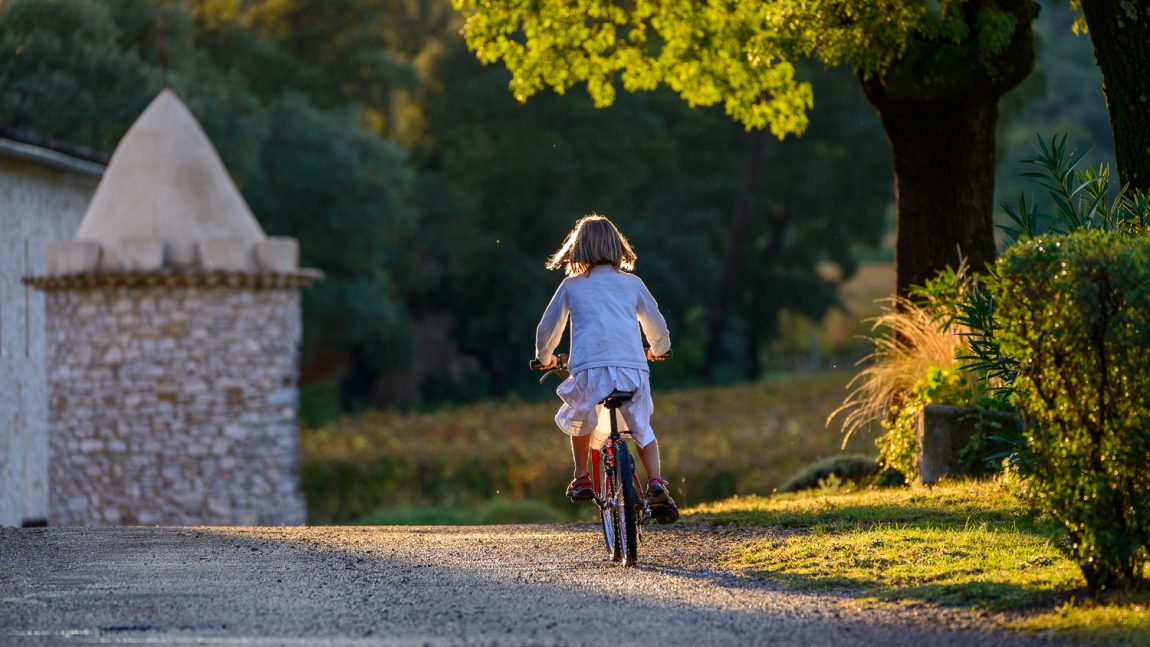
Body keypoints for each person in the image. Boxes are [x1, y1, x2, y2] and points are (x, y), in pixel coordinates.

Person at [534, 214, 678, 523]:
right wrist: (658, 350)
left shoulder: (571, 286)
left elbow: (548, 328)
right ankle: (655, 481)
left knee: (580, 417)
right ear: (618, 246)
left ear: (577, 248)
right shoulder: (633, 283)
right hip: (632, 369)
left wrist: (544, 356)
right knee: (641, 425)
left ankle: (582, 476)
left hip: (589, 369)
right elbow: (656, 323)